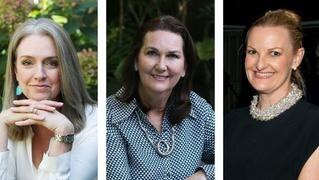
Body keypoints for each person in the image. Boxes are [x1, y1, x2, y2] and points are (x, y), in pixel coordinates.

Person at [107, 15, 215, 179]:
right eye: (152, 53)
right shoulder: (111, 115)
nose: (161, 66)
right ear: (136, 61)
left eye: (172, 56)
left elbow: (232, 157)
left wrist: (204, 176)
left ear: (185, 67)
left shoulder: (198, 109)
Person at [224, 9, 319, 180]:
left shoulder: (313, 126)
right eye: (252, 52)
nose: (260, 64)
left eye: (274, 53)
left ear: (297, 58)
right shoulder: (229, 122)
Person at [0, 18, 97, 180]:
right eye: (27, 62)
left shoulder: (97, 127)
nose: (39, 75)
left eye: (52, 63)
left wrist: (63, 133)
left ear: (66, 69)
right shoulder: (6, 122)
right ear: (15, 71)